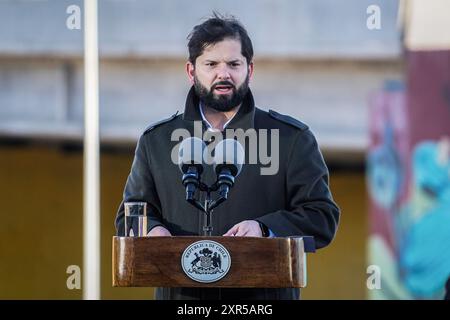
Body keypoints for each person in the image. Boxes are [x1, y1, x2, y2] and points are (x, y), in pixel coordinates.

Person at [115, 13, 340, 300]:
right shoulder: (156, 141)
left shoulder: (291, 138)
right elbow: (130, 214)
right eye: (211, 64)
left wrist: (265, 228)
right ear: (191, 71)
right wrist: (153, 230)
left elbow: (322, 216)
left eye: (234, 64)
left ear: (250, 70)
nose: (224, 74)